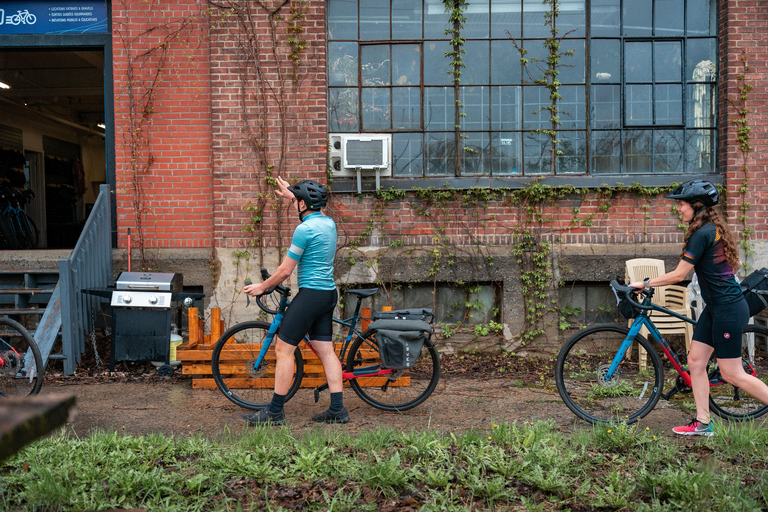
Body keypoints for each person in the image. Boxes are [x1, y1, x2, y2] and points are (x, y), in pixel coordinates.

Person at [629, 179, 768, 436]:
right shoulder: (712, 229)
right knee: (695, 361)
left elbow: (679, 274)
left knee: (732, 373)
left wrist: (643, 282)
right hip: (717, 307)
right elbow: (733, 264)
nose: (678, 210)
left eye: (681, 205)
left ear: (696, 205)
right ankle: (703, 423)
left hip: (727, 308)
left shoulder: (702, 233)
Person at [242, 177, 347, 426]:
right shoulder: (329, 223)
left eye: (298, 202)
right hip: (328, 294)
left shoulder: (304, 230)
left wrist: (262, 287)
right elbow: (312, 211)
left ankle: (275, 411)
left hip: (310, 295)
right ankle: (337, 409)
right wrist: (294, 196)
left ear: (302, 204)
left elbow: (285, 271)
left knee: (283, 349)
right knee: (325, 350)